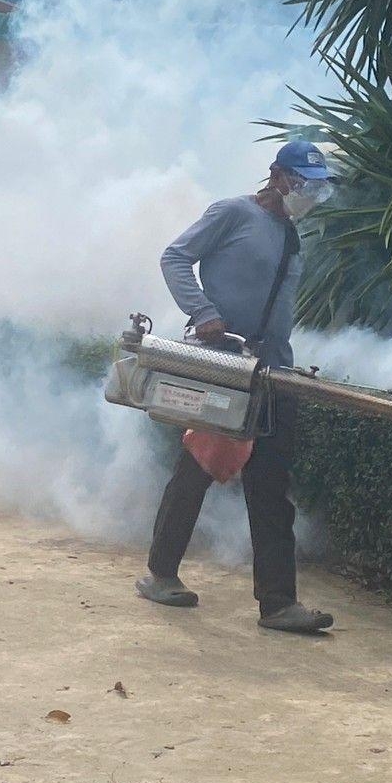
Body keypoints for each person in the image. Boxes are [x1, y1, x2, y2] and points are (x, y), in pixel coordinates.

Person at [136, 140, 336, 633]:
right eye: (303, 184)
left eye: (316, 188)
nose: (308, 195)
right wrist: (203, 312)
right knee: (198, 467)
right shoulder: (232, 213)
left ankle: (278, 603)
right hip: (225, 363)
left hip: (274, 371)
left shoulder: (292, 236)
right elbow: (175, 257)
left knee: (271, 486)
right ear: (277, 175)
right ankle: (161, 573)